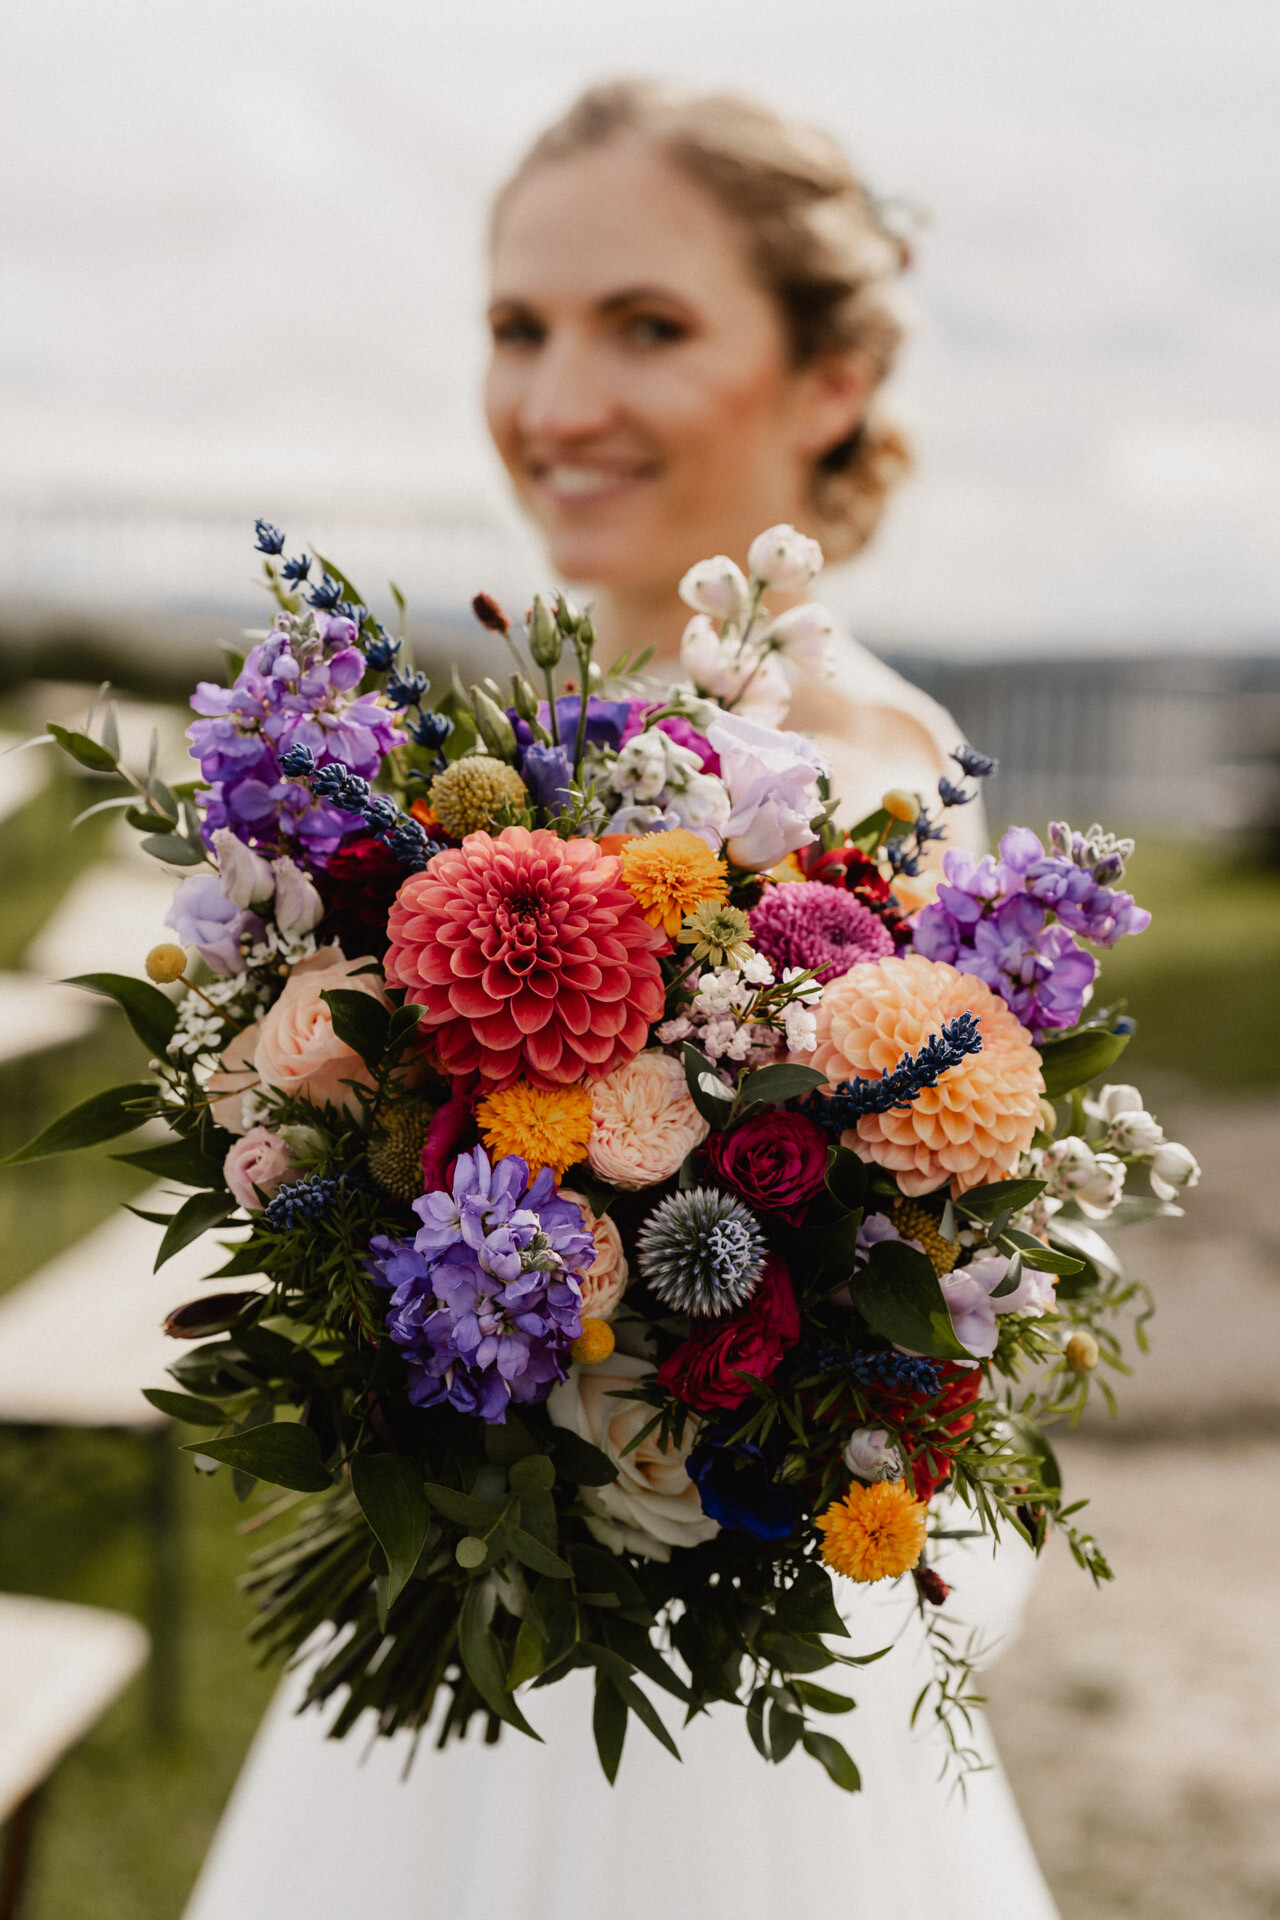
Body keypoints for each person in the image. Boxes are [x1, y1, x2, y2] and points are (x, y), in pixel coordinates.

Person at [184, 82, 1056, 1920]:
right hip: (495, 1616)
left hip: (707, 1677)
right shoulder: (549, 754)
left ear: (829, 376)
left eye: (645, 325)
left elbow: (947, 1332)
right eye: (521, 326)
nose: (556, 400)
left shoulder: (860, 783)